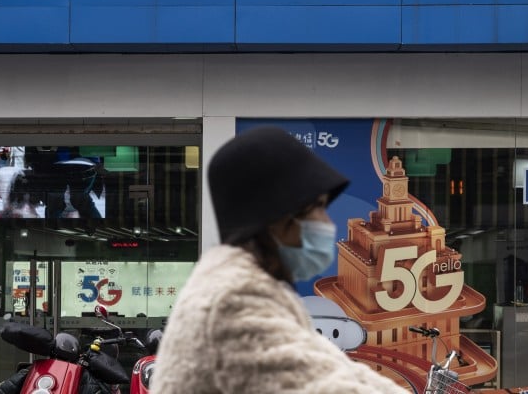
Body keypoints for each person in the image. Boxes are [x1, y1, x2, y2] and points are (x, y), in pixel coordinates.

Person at [150, 126, 410, 393]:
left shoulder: (248, 287)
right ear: (277, 217)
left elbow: (330, 364)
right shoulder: (232, 300)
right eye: (318, 207)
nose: (328, 222)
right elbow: (318, 385)